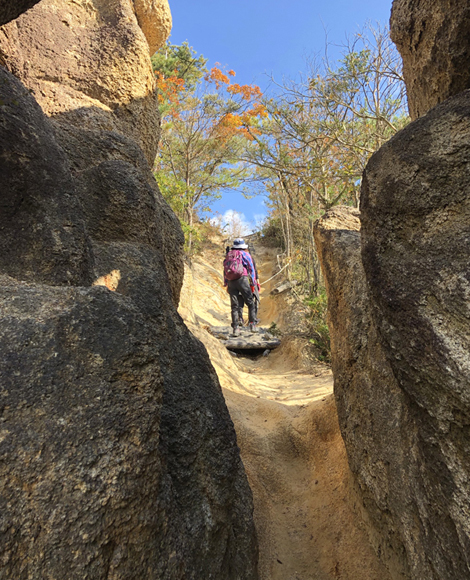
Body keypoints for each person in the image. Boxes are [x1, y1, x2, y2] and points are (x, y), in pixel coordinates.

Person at [224, 238, 258, 336]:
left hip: (231, 281)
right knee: (250, 303)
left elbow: (225, 270)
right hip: (242, 279)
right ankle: (252, 324)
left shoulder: (229, 254)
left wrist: (226, 283)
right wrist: (253, 283)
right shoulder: (245, 254)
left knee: (234, 306)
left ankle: (236, 329)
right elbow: (251, 268)